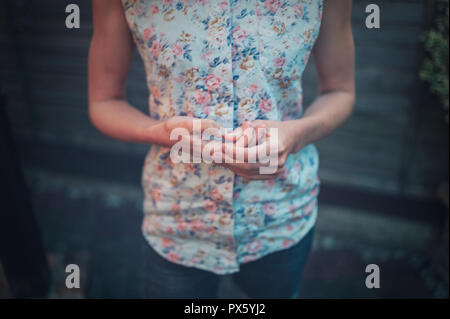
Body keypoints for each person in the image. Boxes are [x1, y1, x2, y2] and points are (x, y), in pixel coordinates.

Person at [88, 0, 355, 298]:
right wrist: (161, 133)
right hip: (178, 217)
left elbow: (340, 91)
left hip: (281, 216)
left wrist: (296, 135)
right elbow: (104, 101)